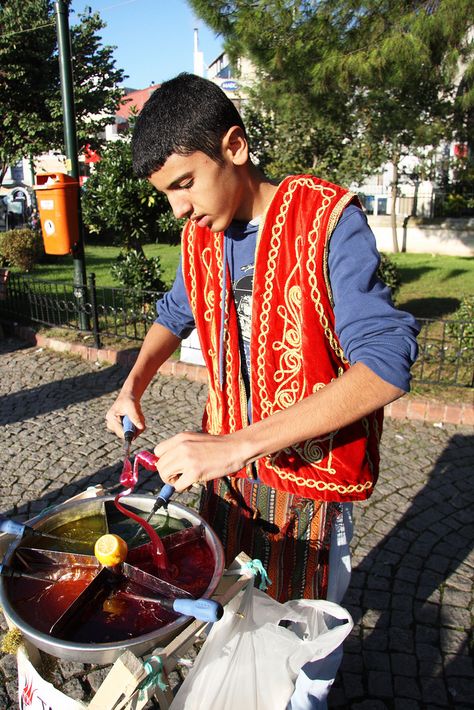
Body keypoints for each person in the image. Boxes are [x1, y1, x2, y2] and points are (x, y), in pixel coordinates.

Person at [106, 72, 419, 708]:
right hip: (229, 482)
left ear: (235, 147)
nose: (180, 210)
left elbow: (386, 363)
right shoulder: (202, 236)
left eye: (185, 185)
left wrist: (235, 446)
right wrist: (131, 385)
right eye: (166, 195)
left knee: (304, 652)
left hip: (310, 484)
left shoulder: (329, 221)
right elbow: (175, 313)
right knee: (229, 615)